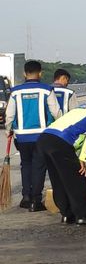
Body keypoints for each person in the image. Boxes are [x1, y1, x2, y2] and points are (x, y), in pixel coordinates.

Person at [36, 87, 86, 225]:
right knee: (77, 179)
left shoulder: (80, 108)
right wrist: (83, 158)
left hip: (45, 139)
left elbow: (78, 137)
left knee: (59, 179)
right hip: (59, 143)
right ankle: (82, 215)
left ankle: (66, 214)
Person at [6, 60, 62, 212]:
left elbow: (9, 115)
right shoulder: (46, 90)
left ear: (24, 73)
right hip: (42, 136)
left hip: (22, 137)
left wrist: (8, 130)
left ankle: (26, 197)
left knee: (26, 165)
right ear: (40, 73)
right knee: (39, 167)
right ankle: (36, 201)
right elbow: (56, 112)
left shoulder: (15, 92)